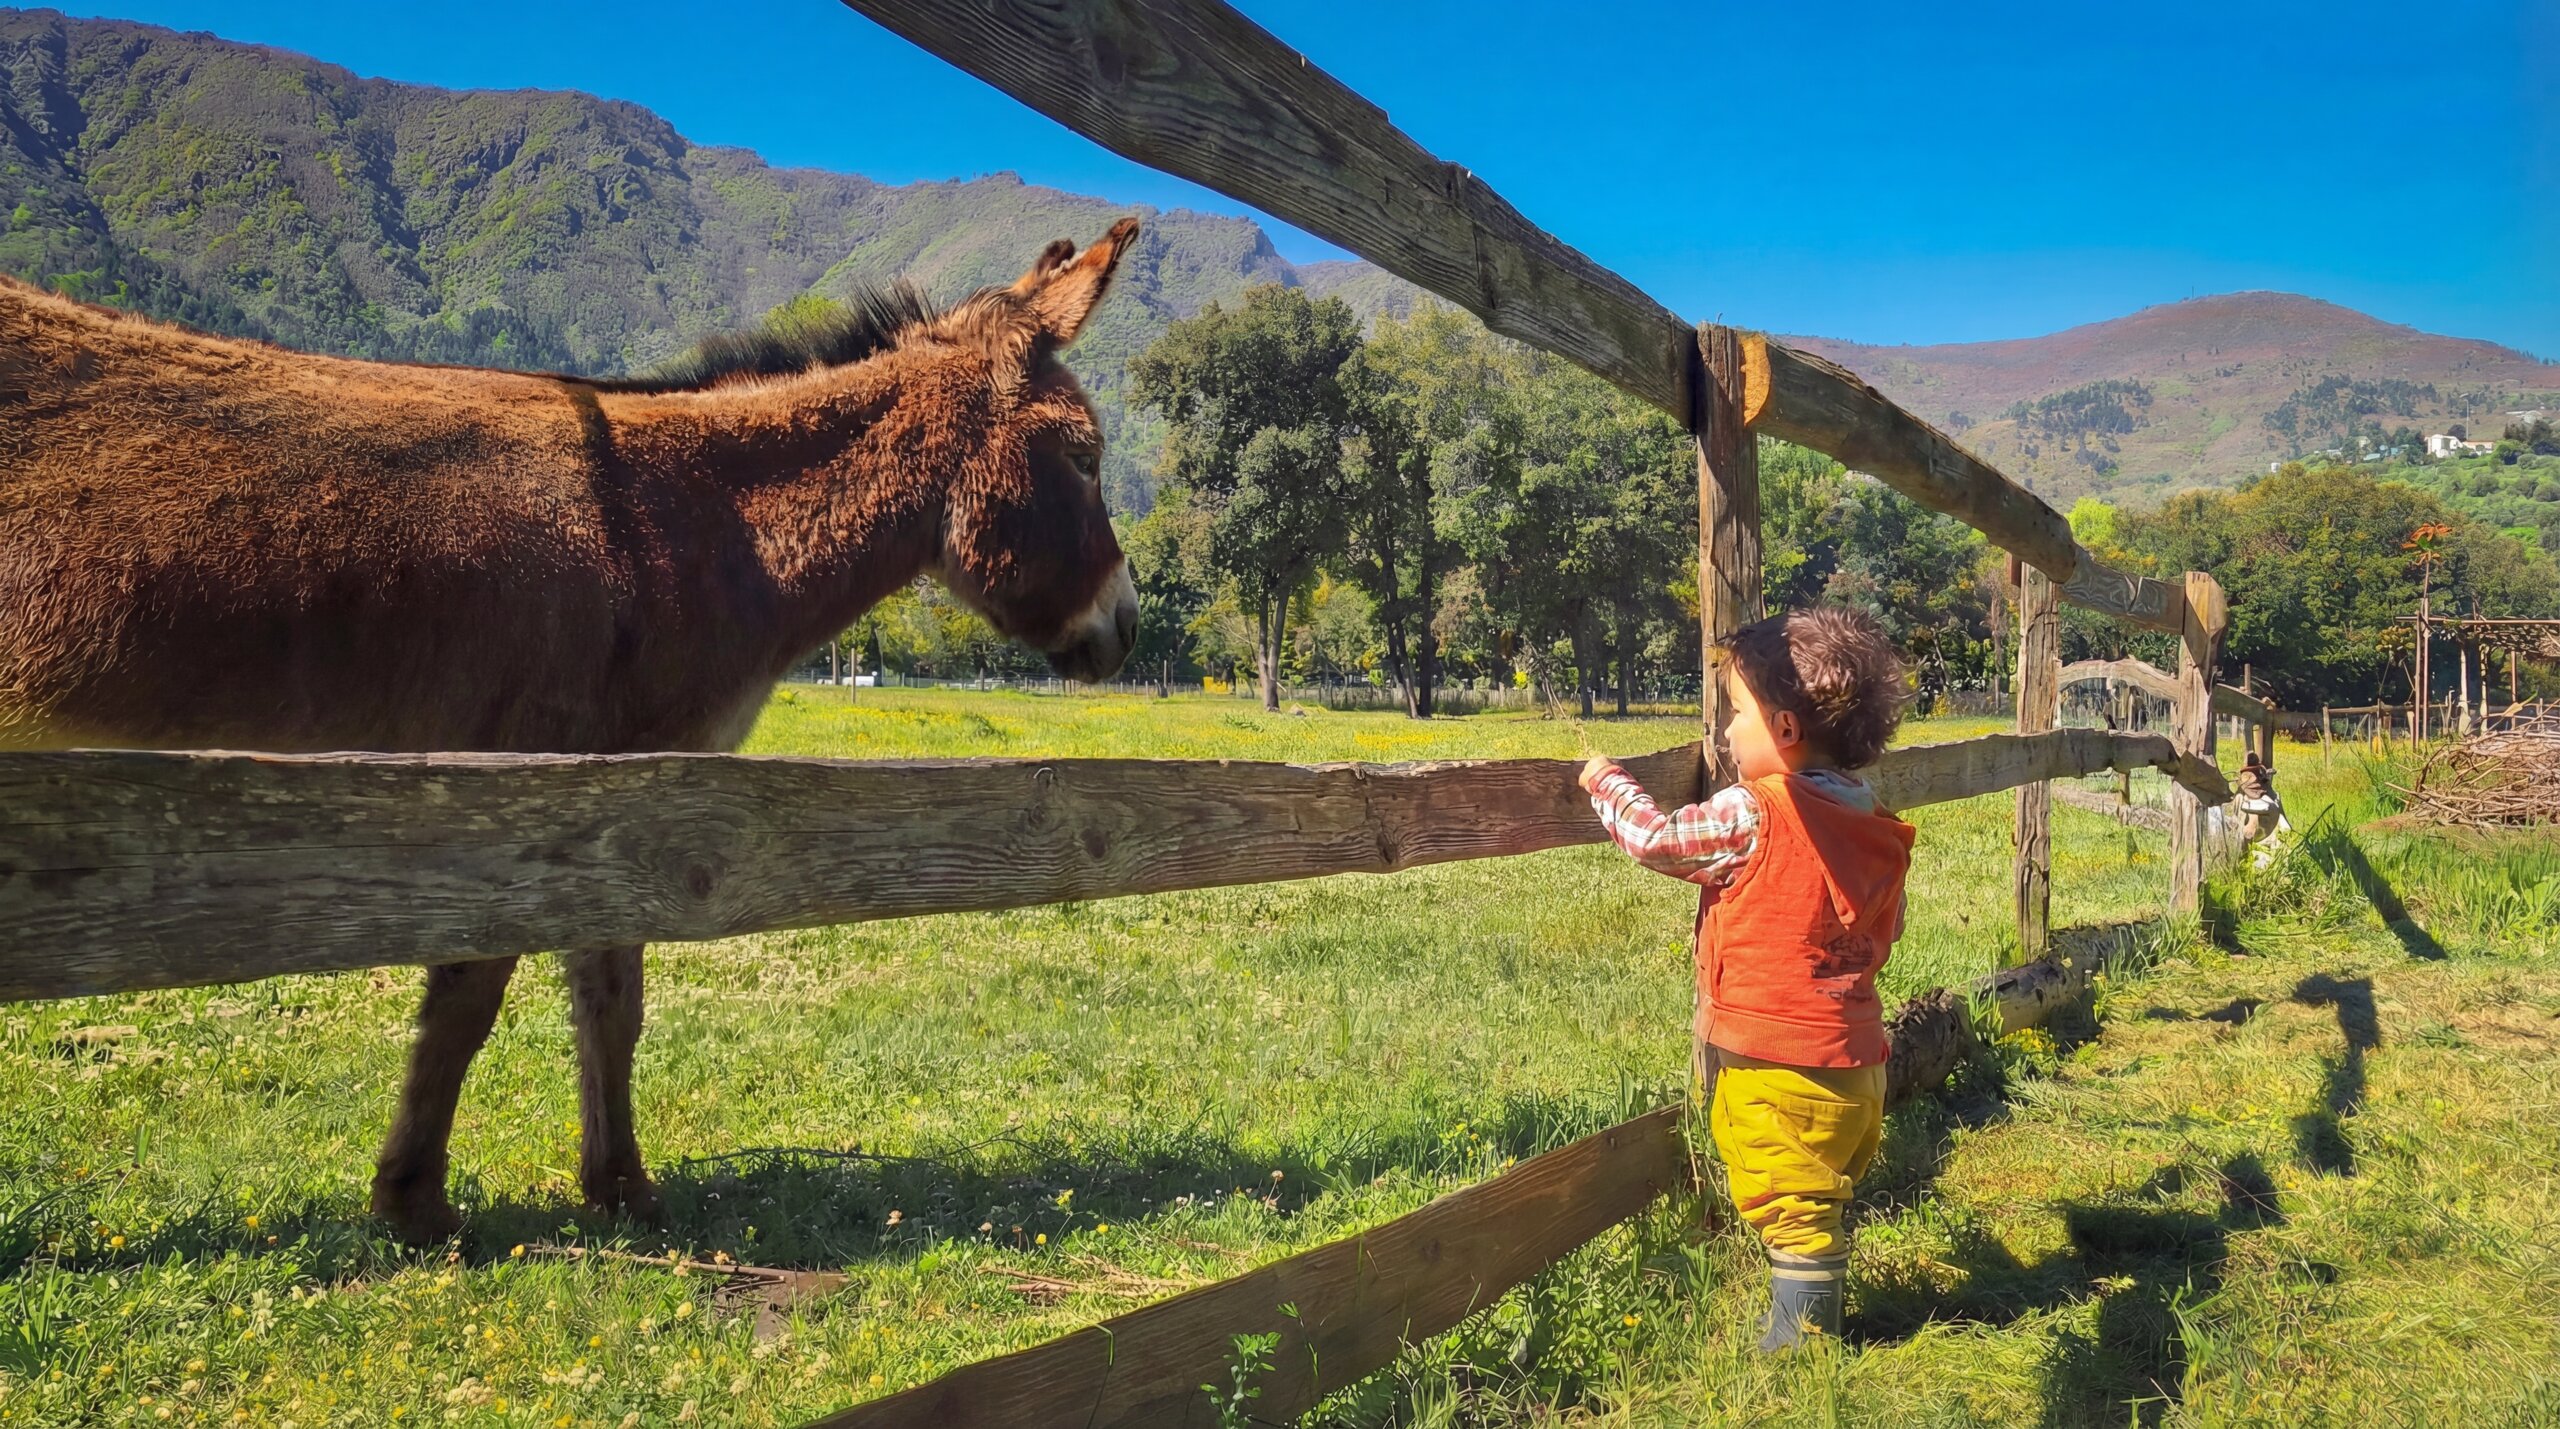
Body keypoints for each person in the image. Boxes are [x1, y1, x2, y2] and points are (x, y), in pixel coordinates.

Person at [1575, 606, 1915, 1349]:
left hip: (1777, 1061)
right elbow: (1879, 932)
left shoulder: (1754, 812)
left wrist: (1609, 785)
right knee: (1820, 1200)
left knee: (1793, 1209)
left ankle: (1800, 1348)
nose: (1725, 732)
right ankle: (1813, 1324)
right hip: (1857, 1064)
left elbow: (1661, 842)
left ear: (1785, 729)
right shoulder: (1872, 819)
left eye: (1735, 713)